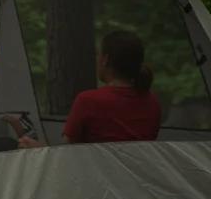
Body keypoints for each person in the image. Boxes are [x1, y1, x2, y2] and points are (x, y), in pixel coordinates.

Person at [17, 30, 160, 147]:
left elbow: (65, 156)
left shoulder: (89, 101)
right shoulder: (152, 102)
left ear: (105, 60)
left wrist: (37, 148)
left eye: (98, 54)